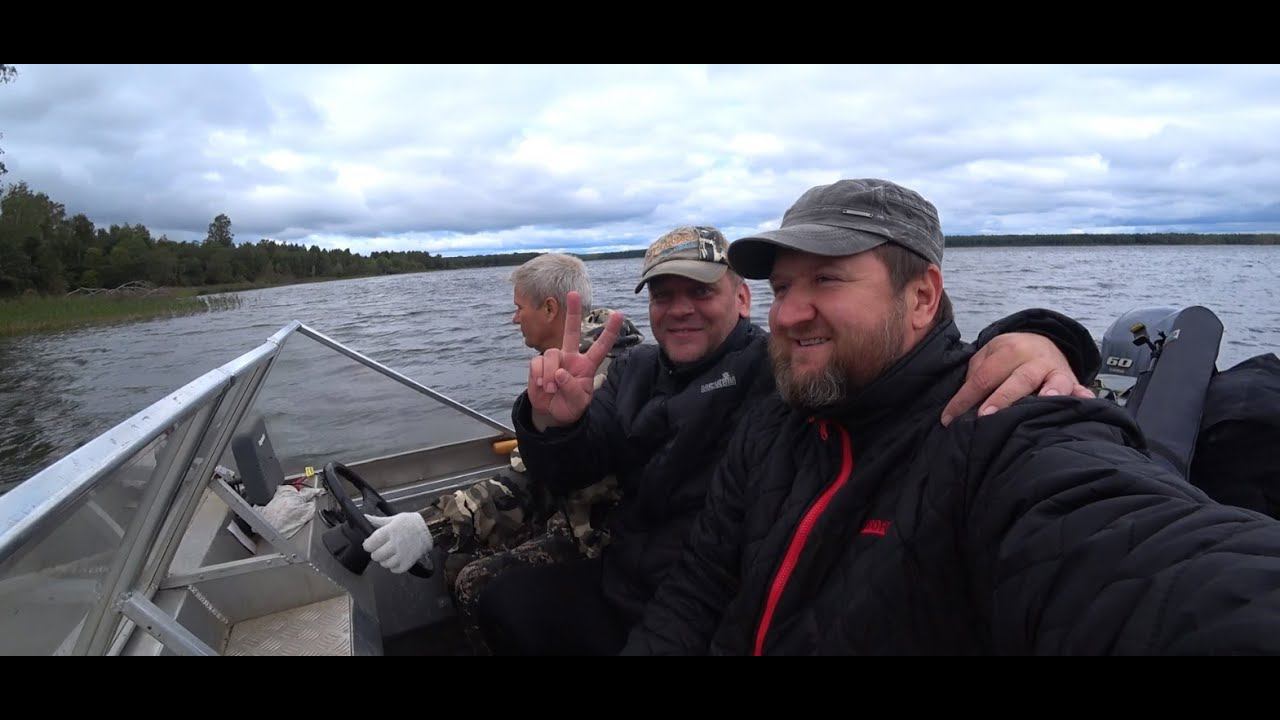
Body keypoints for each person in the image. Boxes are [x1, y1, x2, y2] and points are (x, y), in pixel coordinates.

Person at [622, 179, 1280, 655]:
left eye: (827, 279)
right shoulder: (776, 423)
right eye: (784, 287)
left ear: (921, 297)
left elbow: (1150, 564)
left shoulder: (1000, 425)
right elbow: (696, 591)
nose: (790, 313)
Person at [475, 224, 1100, 655]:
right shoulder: (634, 370)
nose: (680, 308)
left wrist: (1040, 337)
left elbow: (902, 367)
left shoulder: (781, 367)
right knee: (502, 600)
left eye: (700, 291)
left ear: (743, 299)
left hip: (718, 597)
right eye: (664, 296)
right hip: (638, 581)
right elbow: (580, 465)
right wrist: (557, 424)